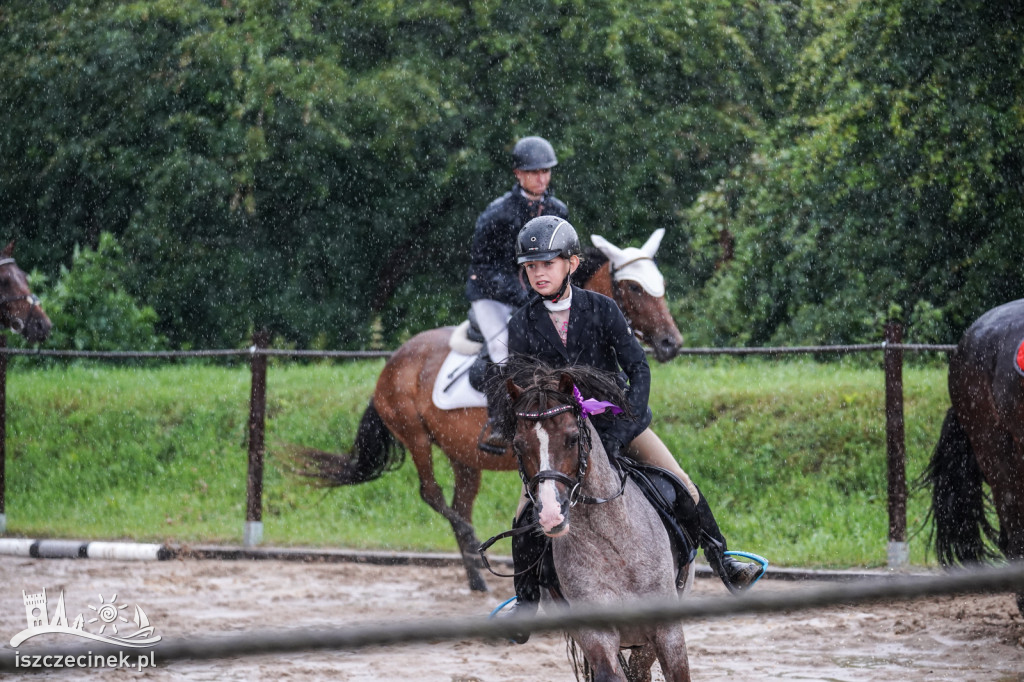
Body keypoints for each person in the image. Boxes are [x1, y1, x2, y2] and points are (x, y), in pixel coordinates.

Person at [497, 215, 763, 641]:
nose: (539, 273)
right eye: (531, 267)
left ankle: (723, 558)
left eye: (547, 264)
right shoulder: (522, 324)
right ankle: (526, 604)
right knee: (526, 513)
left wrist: (629, 422)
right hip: (560, 436)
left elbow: (637, 368)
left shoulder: (602, 309)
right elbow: (524, 390)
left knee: (681, 483)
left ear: (572, 263)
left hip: (617, 422)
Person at [466, 136, 569, 453]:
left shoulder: (557, 209)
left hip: (538, 292)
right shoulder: (498, 213)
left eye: (546, 171)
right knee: (502, 351)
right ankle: (499, 425)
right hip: (492, 295)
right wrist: (521, 294)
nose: (542, 178)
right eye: (535, 172)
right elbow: (481, 266)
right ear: (518, 174)